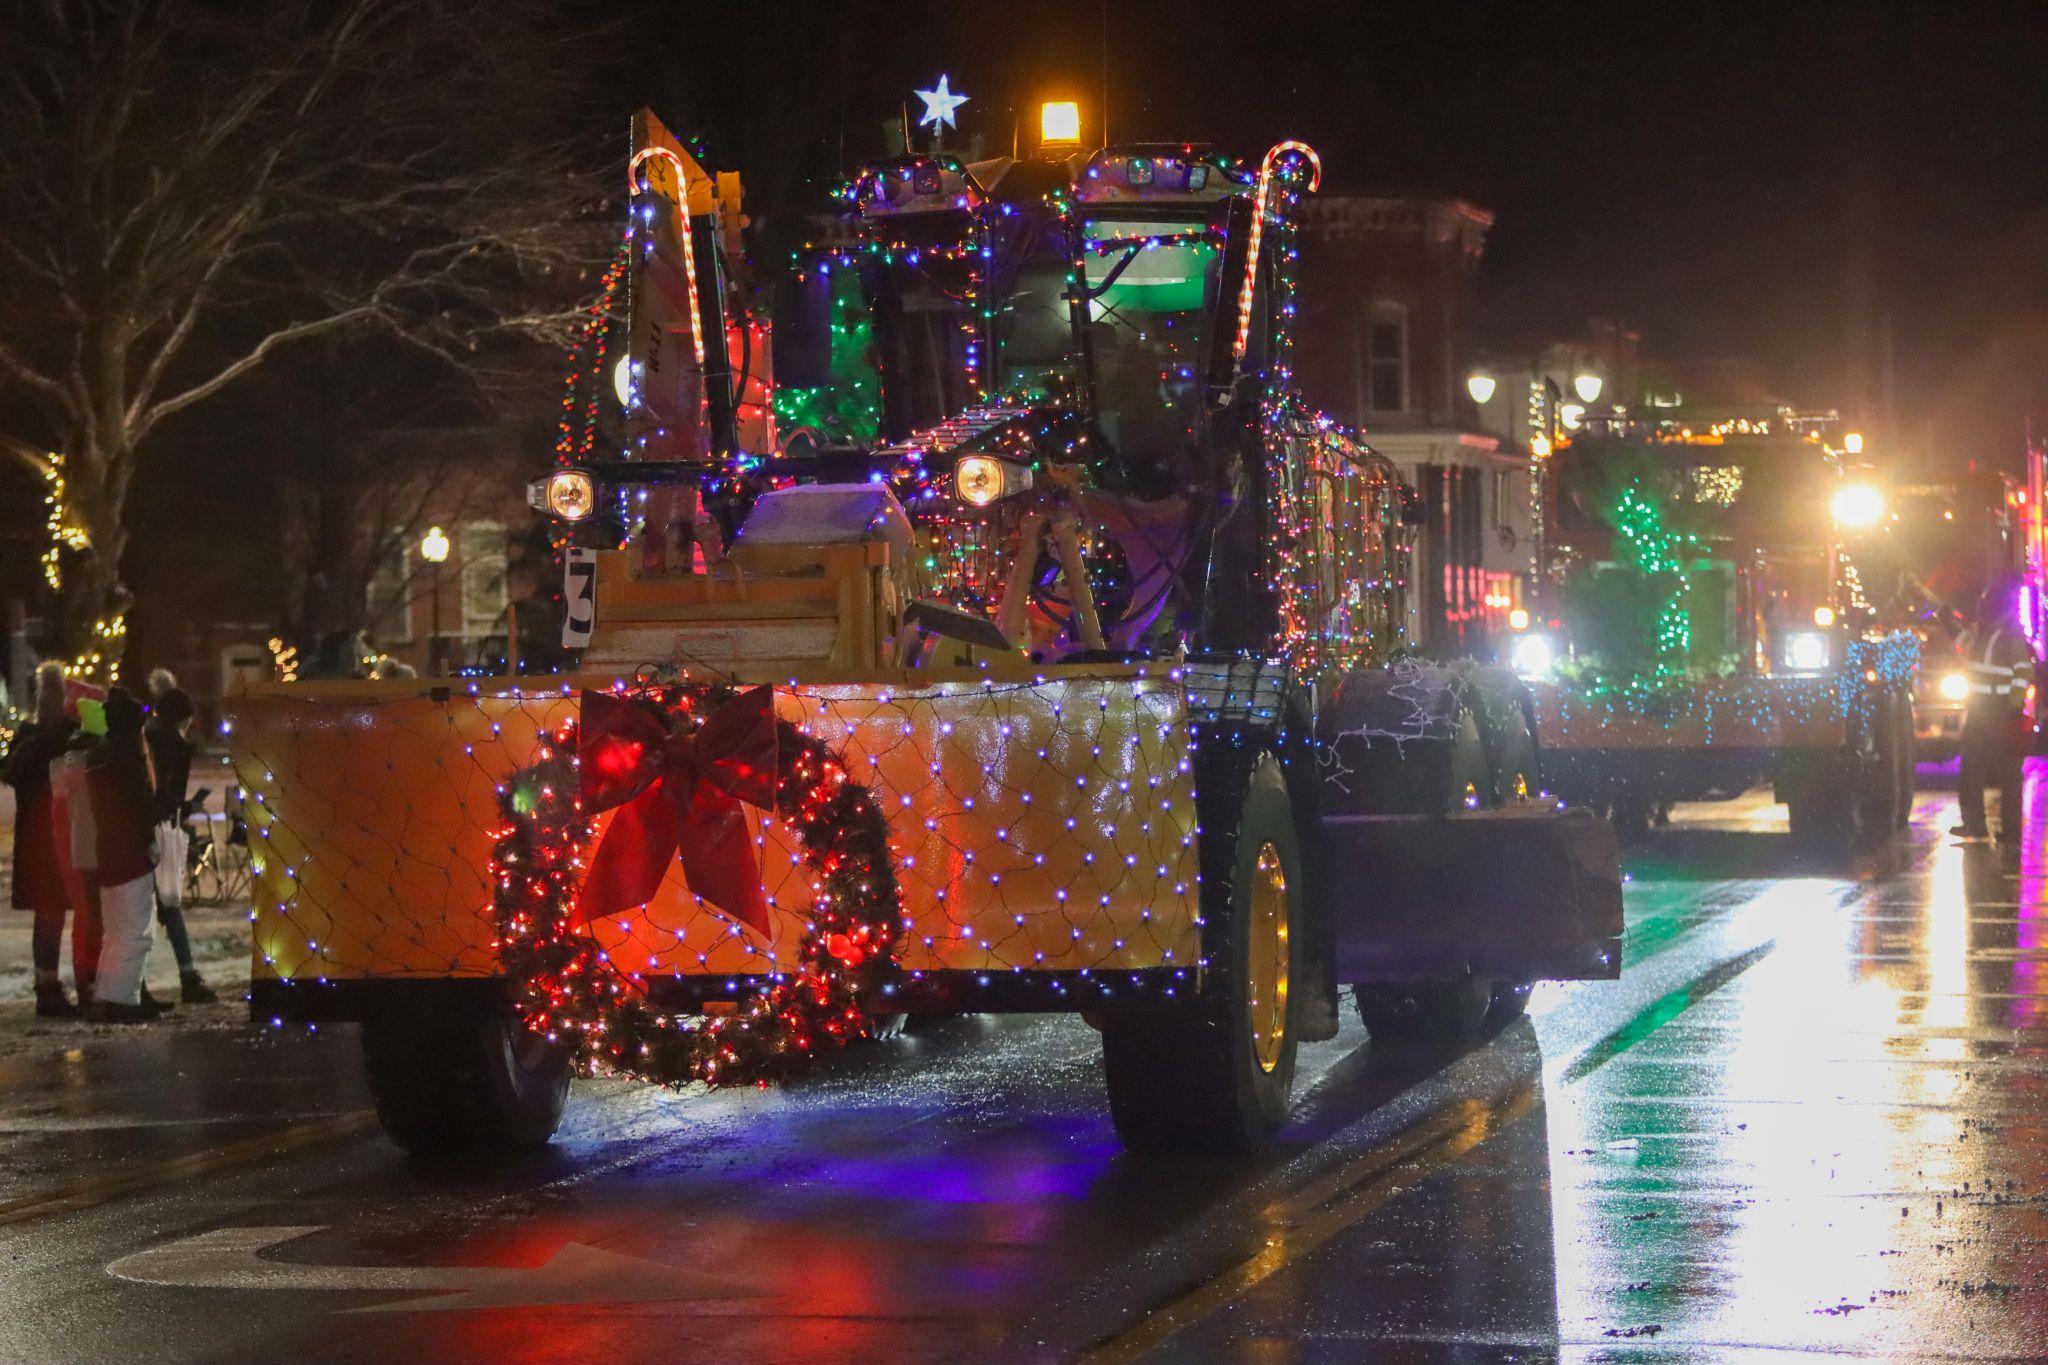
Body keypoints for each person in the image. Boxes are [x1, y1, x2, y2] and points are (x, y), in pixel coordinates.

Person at [3, 662, 87, 1015]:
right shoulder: (58, 740)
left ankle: (48, 986)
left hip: (36, 840)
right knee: (58, 914)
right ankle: (54, 989)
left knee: (48, 915)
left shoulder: (27, 742)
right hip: (55, 838)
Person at [82, 686, 166, 1023]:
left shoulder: (98, 756)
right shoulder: (129, 757)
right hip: (131, 855)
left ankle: (109, 995)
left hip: (107, 851)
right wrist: (152, 833)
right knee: (135, 930)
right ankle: (122, 1002)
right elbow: (138, 808)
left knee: (115, 930)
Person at [144, 672, 217, 1004]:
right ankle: (187, 977)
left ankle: (141, 981)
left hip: (145, 830)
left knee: (152, 909)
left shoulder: (146, 735)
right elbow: (168, 795)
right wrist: (188, 807)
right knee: (168, 905)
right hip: (161, 833)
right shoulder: (173, 744)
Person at [1950, 586, 2036, 849]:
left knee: (2007, 774)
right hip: (1980, 711)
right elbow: (1962, 642)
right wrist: (1943, 618)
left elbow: (2024, 673)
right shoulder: (1984, 634)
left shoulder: (2009, 638)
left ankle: (2010, 832)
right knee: (1971, 770)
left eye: (1984, 604)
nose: (1980, 609)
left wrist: (2013, 706)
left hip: (1999, 712)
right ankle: (1974, 824)